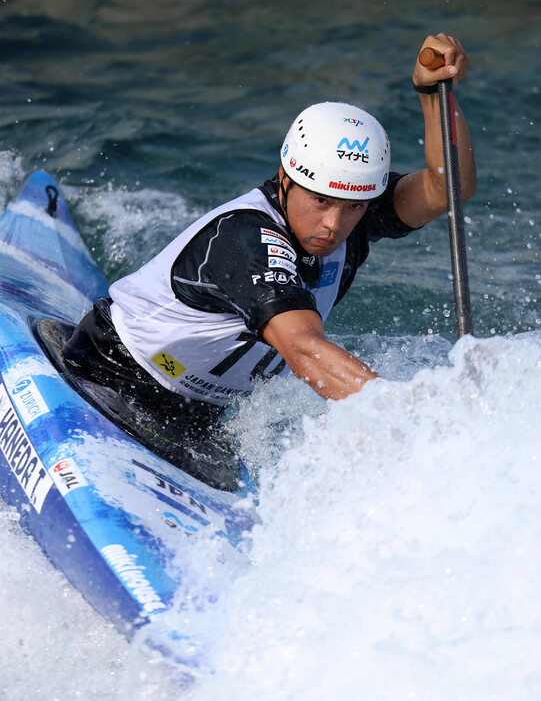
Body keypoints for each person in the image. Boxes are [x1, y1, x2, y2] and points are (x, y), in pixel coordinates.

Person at [62, 33, 475, 488]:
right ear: (285, 179)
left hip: (200, 416)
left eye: (354, 206)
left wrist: (433, 94)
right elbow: (304, 350)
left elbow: (446, 188)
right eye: (319, 200)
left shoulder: (352, 212)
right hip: (114, 376)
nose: (333, 225)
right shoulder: (246, 239)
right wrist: (420, 429)